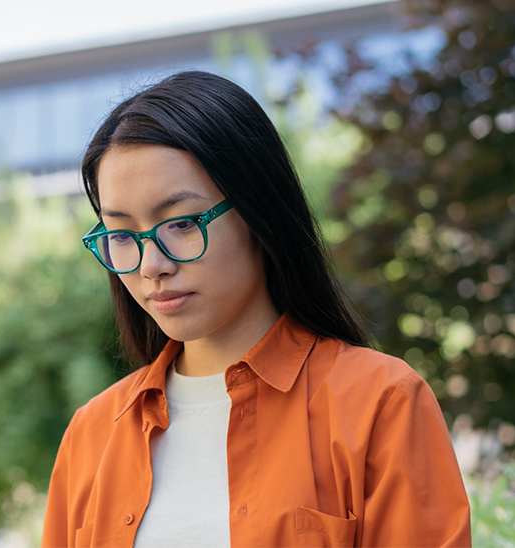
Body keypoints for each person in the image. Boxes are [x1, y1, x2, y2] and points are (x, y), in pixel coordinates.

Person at [40, 71, 471, 547]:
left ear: (258, 212)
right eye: (122, 235)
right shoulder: (92, 435)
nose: (152, 265)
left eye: (181, 224)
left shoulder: (380, 404)